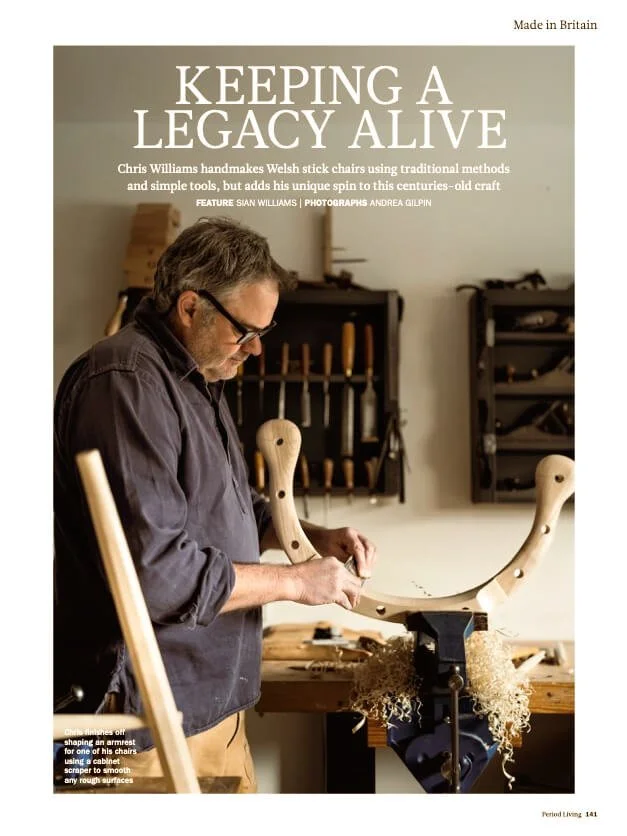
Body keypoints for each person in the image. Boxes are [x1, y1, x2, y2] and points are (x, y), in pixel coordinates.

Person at [54, 216, 377, 792]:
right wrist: (293, 583)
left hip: (210, 714)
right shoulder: (125, 382)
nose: (255, 349)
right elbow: (157, 575)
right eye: (244, 331)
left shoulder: (198, 381)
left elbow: (227, 512)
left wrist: (306, 535)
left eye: (264, 331)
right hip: (143, 730)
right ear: (188, 307)